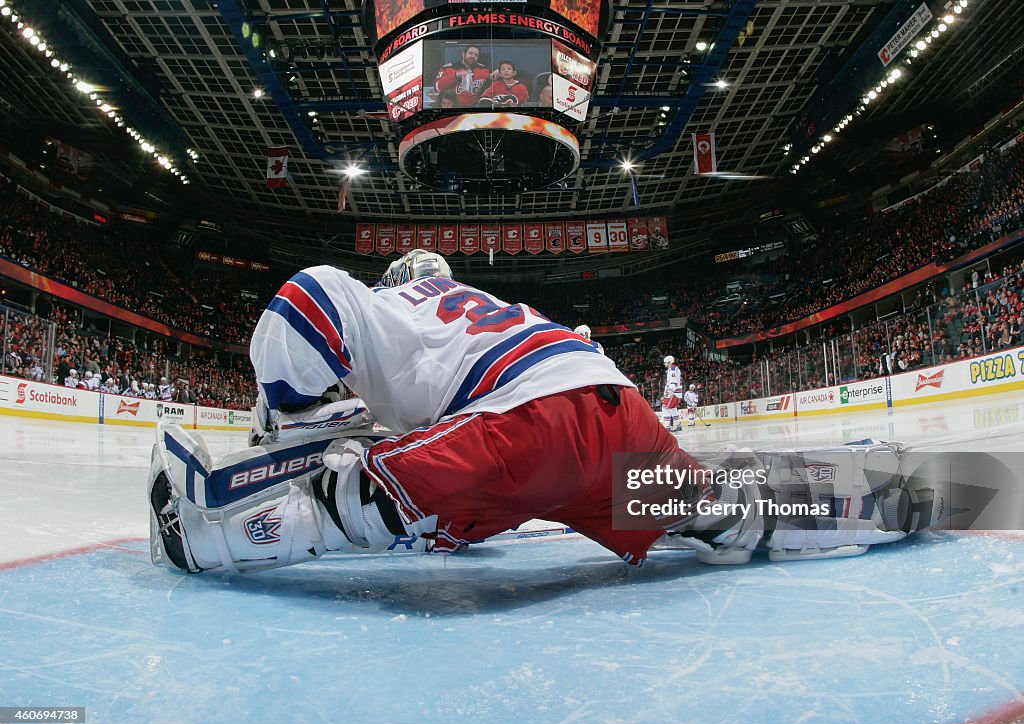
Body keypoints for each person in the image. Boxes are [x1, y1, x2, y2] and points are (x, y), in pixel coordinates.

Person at [149, 251, 949, 575]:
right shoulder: (485, 303)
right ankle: (883, 491)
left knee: (363, 494)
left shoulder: (394, 306)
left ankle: (210, 540)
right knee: (719, 518)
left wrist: (299, 424)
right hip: (612, 412)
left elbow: (306, 296)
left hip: (526, 428)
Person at [661, 355, 682, 431]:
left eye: (666, 363)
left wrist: (669, 392)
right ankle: (677, 425)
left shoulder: (673, 370)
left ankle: (667, 426)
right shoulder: (672, 369)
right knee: (673, 409)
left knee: (665, 408)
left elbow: (674, 383)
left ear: (669, 362)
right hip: (675, 393)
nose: (665, 364)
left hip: (673, 393)